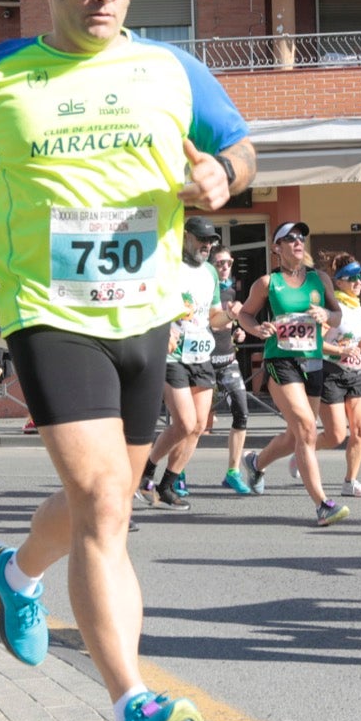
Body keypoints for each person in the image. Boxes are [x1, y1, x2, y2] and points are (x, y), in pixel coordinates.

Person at [0, 0, 257, 721]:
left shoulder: (170, 69)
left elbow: (242, 148)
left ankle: (18, 571)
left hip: (146, 312)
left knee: (99, 497)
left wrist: (226, 175)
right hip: (46, 309)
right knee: (108, 501)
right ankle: (133, 704)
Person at [234, 222, 351, 526]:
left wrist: (327, 315)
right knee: (306, 429)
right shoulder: (267, 283)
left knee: (296, 435)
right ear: (277, 247)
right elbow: (245, 313)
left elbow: (337, 313)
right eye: (290, 239)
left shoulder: (319, 279)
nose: (298, 242)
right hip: (280, 359)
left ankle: (256, 462)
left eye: (301, 238)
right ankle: (323, 504)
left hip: (312, 360)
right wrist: (257, 328)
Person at [139, 217, 232, 511]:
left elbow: (213, 318)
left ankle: (167, 485)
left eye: (211, 241)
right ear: (186, 238)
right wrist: (162, 329)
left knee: (198, 426)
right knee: (184, 422)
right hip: (172, 354)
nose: (207, 246)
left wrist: (231, 315)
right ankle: (146, 470)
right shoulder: (167, 267)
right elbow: (147, 304)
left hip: (200, 353)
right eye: (201, 239)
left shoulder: (210, 273)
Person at [319, 259, 361, 498]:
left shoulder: (357, 307)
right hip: (330, 373)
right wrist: (339, 351)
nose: (359, 282)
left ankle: (350, 481)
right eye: (353, 278)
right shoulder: (333, 308)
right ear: (339, 281)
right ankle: (302, 450)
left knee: (359, 430)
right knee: (335, 435)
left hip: (356, 374)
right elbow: (316, 343)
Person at [207, 247, 254, 494]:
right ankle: (177, 474)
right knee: (192, 424)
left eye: (228, 262)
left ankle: (233, 472)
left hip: (228, 360)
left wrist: (239, 331)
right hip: (202, 361)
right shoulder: (203, 288)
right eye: (219, 263)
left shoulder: (234, 290)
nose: (224, 266)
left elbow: (236, 322)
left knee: (242, 413)